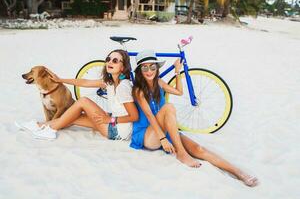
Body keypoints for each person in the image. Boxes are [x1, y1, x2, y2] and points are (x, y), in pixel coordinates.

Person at [130, 50, 258, 187]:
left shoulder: (159, 83)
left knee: (199, 149)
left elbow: (179, 92)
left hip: (165, 131)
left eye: (152, 67)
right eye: (145, 67)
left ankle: (240, 173)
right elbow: (150, 116)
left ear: (157, 68)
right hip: (147, 136)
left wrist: (177, 72)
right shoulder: (138, 90)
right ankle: (181, 153)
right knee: (168, 107)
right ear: (139, 71)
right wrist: (162, 139)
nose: (149, 71)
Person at [17, 49, 138, 141]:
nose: (110, 62)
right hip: (113, 122)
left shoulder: (123, 86)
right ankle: (39, 125)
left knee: (83, 101)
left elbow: (134, 116)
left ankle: (48, 129)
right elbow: (85, 82)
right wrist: (60, 80)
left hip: (117, 131)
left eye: (115, 60)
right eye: (108, 59)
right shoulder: (111, 82)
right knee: (73, 117)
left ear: (123, 67)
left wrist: (110, 119)